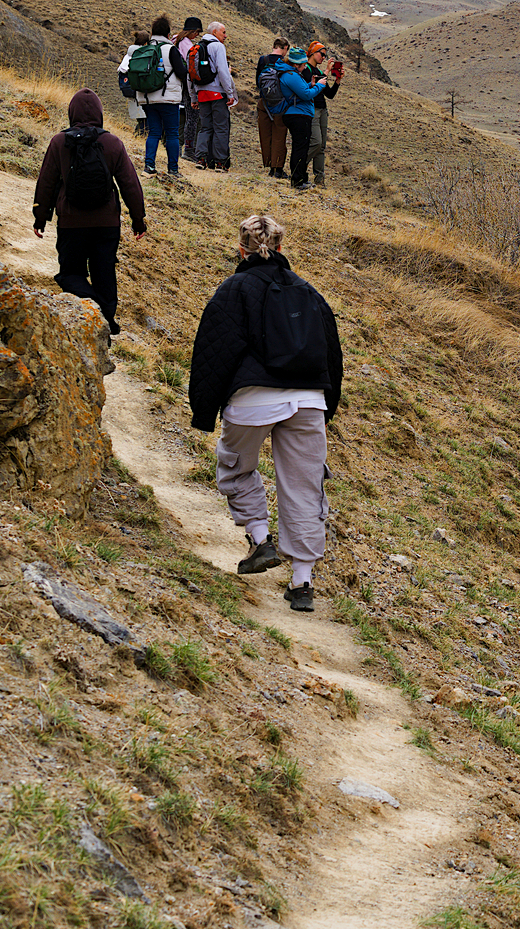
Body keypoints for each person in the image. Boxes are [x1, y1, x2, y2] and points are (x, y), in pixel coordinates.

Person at [188, 214, 343, 613]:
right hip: (309, 401)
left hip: (253, 399)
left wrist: (204, 411)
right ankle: (302, 581)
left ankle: (260, 540)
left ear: (241, 249)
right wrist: (327, 406)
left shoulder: (234, 289)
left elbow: (214, 351)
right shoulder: (310, 293)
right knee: (305, 486)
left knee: (236, 467)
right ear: (280, 247)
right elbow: (332, 353)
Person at [32, 89, 147, 334]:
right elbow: (129, 183)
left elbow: (46, 182)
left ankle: (90, 317)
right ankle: (105, 319)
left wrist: (40, 217)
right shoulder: (113, 143)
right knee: (104, 272)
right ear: (100, 113)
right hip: (107, 225)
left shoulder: (59, 142)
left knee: (70, 274)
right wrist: (138, 220)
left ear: (71, 112)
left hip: (71, 223)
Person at [123, 14, 184, 176]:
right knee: (172, 133)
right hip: (168, 99)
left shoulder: (144, 49)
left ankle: (149, 167)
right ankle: (173, 169)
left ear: (152, 33)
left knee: (154, 132)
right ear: (168, 34)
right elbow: (182, 73)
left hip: (147, 98)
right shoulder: (171, 49)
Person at [275, 46, 326, 190]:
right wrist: (319, 87)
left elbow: (300, 91)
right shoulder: (291, 75)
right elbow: (305, 95)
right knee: (299, 148)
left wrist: (311, 85)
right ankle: (297, 181)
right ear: (296, 64)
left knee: (302, 148)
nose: (305, 68)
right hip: (298, 115)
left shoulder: (291, 74)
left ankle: (301, 178)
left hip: (299, 114)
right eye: (303, 65)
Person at [191, 21, 237, 171]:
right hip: (218, 94)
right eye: (223, 32)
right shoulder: (218, 47)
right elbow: (223, 72)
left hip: (202, 94)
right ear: (214, 32)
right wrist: (230, 93)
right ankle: (220, 162)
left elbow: (189, 75)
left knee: (205, 127)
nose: (225, 35)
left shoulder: (195, 48)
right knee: (221, 128)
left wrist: (194, 97)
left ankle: (201, 159)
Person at [302, 41, 340, 188]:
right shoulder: (305, 69)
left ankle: (319, 180)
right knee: (316, 143)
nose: (323, 57)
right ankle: (299, 166)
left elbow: (329, 94)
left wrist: (337, 81)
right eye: (321, 54)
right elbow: (311, 85)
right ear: (312, 52)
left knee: (321, 146)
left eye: (325, 55)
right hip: (312, 109)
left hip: (322, 109)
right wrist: (326, 72)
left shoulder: (317, 71)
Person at [255, 38, 291, 179]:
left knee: (265, 135)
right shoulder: (284, 63)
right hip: (280, 105)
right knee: (279, 136)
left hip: (263, 103)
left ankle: (269, 165)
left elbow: (258, 81)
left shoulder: (263, 60)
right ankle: (278, 168)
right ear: (285, 48)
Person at [173, 16, 203, 157]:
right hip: (187, 85)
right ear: (191, 31)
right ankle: (188, 150)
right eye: (197, 32)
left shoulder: (175, 40)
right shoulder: (186, 45)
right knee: (192, 118)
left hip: (176, 84)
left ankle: (178, 149)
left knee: (181, 119)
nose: (197, 35)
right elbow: (192, 66)